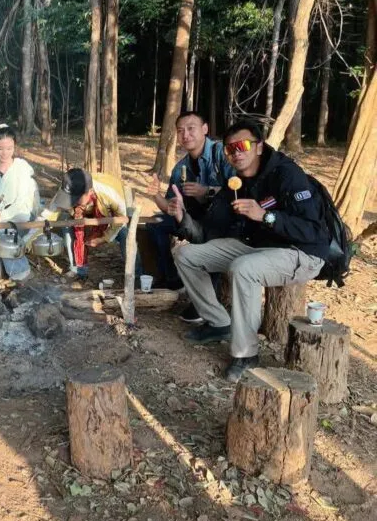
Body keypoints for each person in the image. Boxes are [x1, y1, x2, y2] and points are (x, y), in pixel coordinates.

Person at [168, 120, 329, 382]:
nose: (236, 153)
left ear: (259, 147)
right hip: (258, 247)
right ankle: (219, 323)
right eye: (230, 149)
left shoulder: (287, 174)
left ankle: (246, 354)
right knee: (186, 255)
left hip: (301, 252)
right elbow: (208, 230)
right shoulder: (236, 181)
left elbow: (312, 230)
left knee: (244, 269)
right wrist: (182, 217)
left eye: (242, 145)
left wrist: (266, 216)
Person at [146, 111, 235, 322]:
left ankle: (206, 304)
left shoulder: (222, 154)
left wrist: (207, 191)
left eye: (191, 128)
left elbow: (238, 189)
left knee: (208, 241)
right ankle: (173, 280)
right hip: (193, 219)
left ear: (205, 129)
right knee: (156, 224)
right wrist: (155, 195)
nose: (185, 135)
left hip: (225, 221)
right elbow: (170, 207)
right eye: (180, 131)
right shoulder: (181, 168)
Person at [27, 167, 141, 279]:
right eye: (68, 198)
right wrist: (25, 241)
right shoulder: (66, 190)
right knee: (67, 225)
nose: (70, 202)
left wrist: (104, 238)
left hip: (109, 213)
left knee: (125, 233)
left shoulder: (110, 193)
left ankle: (135, 274)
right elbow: (45, 217)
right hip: (83, 212)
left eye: (74, 199)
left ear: (89, 192)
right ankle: (78, 268)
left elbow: (121, 219)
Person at [0, 124, 39, 280]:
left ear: (14, 148)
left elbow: (23, 204)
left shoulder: (21, 168)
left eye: (9, 148)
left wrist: (2, 216)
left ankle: (19, 271)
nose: (5, 153)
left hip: (20, 216)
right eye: (0, 148)